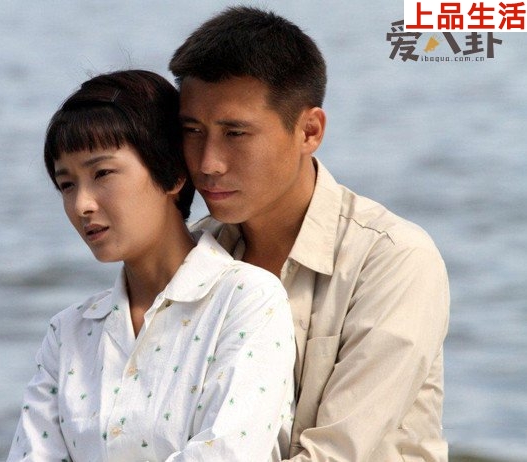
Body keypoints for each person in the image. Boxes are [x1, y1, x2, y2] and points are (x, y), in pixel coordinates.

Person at [169, 6, 450, 461]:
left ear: (309, 131)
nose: (208, 163)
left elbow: (335, 454)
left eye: (235, 133)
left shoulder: (393, 259)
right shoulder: (195, 254)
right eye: (192, 131)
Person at [6, 69, 296, 461]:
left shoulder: (247, 300)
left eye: (102, 173)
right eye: (67, 184)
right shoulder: (68, 333)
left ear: (171, 174)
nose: (82, 205)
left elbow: (229, 453)